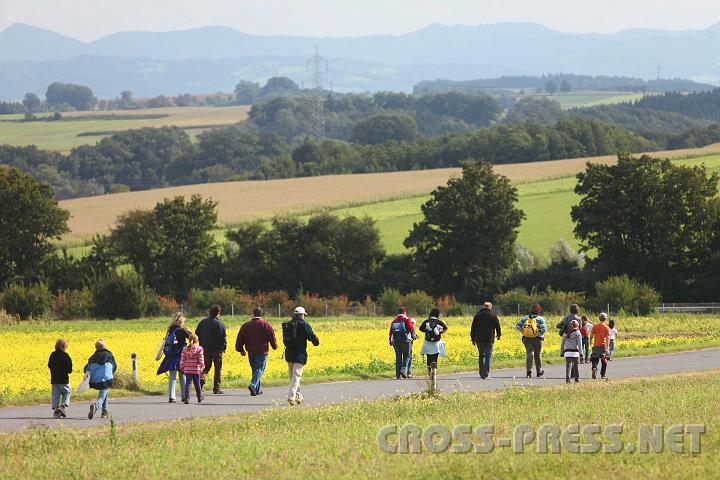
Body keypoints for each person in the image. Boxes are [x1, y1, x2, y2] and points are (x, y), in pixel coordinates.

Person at [236, 307, 278, 396]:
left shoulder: (246, 325)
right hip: (262, 351)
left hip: (251, 352)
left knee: (255, 370)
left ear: (253, 314)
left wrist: (240, 349)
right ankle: (253, 384)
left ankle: (256, 390)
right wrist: (274, 346)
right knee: (259, 369)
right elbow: (272, 337)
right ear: (261, 314)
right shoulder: (266, 325)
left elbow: (240, 338)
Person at [282, 306, 319, 406]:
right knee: (296, 377)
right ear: (302, 315)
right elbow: (312, 337)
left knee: (292, 377)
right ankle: (291, 396)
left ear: (294, 314)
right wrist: (316, 341)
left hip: (289, 354)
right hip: (299, 354)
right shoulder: (304, 324)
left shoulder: (288, 324)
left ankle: (299, 396)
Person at [157, 312, 191, 403]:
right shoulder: (182, 330)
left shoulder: (170, 330)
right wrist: (189, 331)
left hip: (171, 356)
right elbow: (192, 338)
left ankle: (172, 397)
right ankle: (184, 396)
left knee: (172, 377)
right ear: (182, 321)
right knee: (182, 376)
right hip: (180, 355)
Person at [195, 304, 227, 394]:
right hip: (217, 350)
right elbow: (223, 338)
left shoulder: (202, 322)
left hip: (205, 349)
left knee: (206, 367)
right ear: (218, 313)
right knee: (218, 368)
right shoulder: (220, 324)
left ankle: (202, 378)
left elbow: (196, 334)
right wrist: (223, 348)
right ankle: (216, 388)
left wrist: (201, 344)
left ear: (210, 312)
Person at [85, 339, 117, 420]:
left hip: (94, 381)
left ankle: (104, 412)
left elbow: (86, 368)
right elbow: (114, 366)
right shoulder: (109, 355)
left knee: (104, 393)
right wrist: (111, 373)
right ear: (105, 346)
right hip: (106, 379)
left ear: (96, 347)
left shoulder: (93, 357)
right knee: (102, 396)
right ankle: (96, 406)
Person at [419, 308, 448, 391]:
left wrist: (427, 332)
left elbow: (420, 329)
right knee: (435, 358)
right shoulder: (439, 322)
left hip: (427, 343)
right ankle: (434, 373)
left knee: (429, 358)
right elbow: (446, 328)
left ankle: (429, 373)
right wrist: (439, 333)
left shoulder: (426, 321)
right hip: (436, 344)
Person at [470, 302, 501, 379]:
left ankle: (481, 373)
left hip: (479, 339)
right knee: (488, 356)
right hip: (489, 339)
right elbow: (498, 326)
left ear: (484, 306)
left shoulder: (477, 316)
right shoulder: (493, 316)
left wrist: (473, 339)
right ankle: (486, 374)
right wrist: (499, 335)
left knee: (481, 355)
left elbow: (473, 328)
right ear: (490, 307)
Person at [515, 304, 547, 378]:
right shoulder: (541, 319)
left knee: (529, 354)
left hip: (527, 338)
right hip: (538, 339)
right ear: (539, 311)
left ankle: (528, 372)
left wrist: (523, 332)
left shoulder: (525, 318)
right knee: (537, 355)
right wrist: (537, 334)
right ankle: (539, 371)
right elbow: (544, 329)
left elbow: (517, 325)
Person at [48, 338, 72, 418]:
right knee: (66, 392)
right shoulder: (65, 355)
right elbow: (69, 369)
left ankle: (56, 411)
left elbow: (49, 365)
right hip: (64, 379)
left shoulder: (52, 354)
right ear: (64, 346)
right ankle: (62, 407)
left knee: (55, 394)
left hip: (54, 379)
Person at [389, 308, 415, 379]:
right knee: (407, 355)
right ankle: (403, 370)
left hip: (396, 342)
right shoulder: (407, 319)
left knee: (398, 357)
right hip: (405, 341)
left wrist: (390, 341)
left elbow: (391, 332)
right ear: (405, 312)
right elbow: (410, 328)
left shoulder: (394, 320)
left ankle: (398, 375)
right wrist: (413, 335)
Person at [180, 334, 205, 404]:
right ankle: (199, 397)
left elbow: (182, 359)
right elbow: (201, 359)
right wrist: (201, 367)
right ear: (197, 341)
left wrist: (182, 367)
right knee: (197, 384)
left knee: (188, 384)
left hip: (188, 369)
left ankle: (187, 398)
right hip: (196, 369)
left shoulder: (185, 349)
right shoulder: (199, 348)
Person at [589, 313, 611, 379]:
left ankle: (594, 368)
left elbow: (591, 335)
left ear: (599, 318)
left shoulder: (595, 326)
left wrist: (590, 341)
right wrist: (607, 348)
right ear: (605, 319)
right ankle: (602, 375)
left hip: (596, 345)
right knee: (604, 361)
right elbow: (607, 338)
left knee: (594, 359)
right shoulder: (607, 328)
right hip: (603, 346)